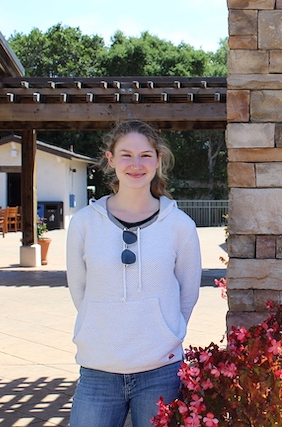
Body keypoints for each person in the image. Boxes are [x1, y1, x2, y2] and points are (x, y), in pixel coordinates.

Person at [66, 120, 202, 427]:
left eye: (145, 155)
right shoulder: (84, 223)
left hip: (161, 370)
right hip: (98, 369)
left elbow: (188, 293)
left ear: (158, 160)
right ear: (111, 159)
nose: (136, 164)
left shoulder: (180, 225)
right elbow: (80, 290)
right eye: (126, 155)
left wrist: (165, 334)